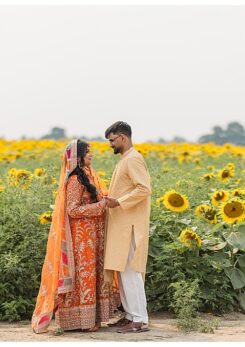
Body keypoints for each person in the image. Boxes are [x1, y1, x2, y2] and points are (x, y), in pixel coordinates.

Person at [31, 140, 120, 333]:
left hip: (94, 235)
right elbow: (72, 210)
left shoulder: (89, 175)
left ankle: (93, 319)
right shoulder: (74, 180)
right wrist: (101, 206)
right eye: (88, 152)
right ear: (78, 157)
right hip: (81, 237)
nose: (91, 155)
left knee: (94, 274)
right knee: (83, 276)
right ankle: (82, 321)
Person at [102, 121, 153, 334]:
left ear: (123, 137)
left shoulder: (133, 159)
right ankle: (131, 316)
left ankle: (140, 320)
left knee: (131, 272)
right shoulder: (126, 159)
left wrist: (119, 202)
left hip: (130, 225)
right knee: (123, 272)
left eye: (112, 140)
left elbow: (144, 189)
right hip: (121, 225)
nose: (110, 145)